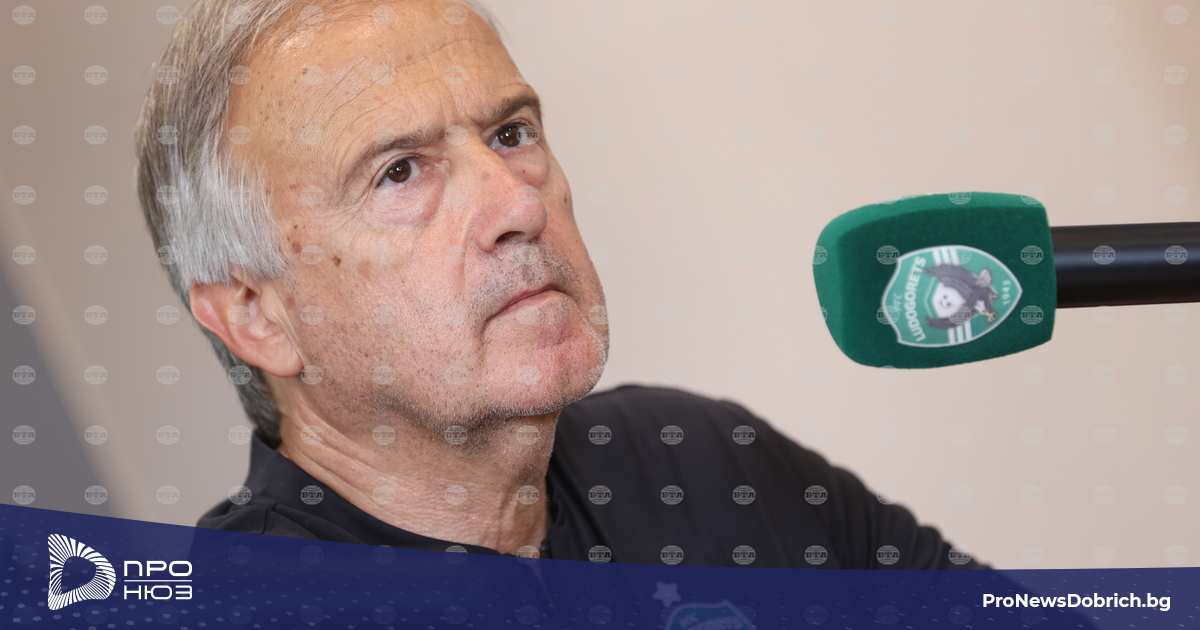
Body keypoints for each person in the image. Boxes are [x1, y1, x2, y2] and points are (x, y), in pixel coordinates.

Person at [134, 0, 980, 569]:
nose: (519, 205)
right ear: (255, 314)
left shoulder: (699, 456)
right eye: (399, 172)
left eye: (510, 133)